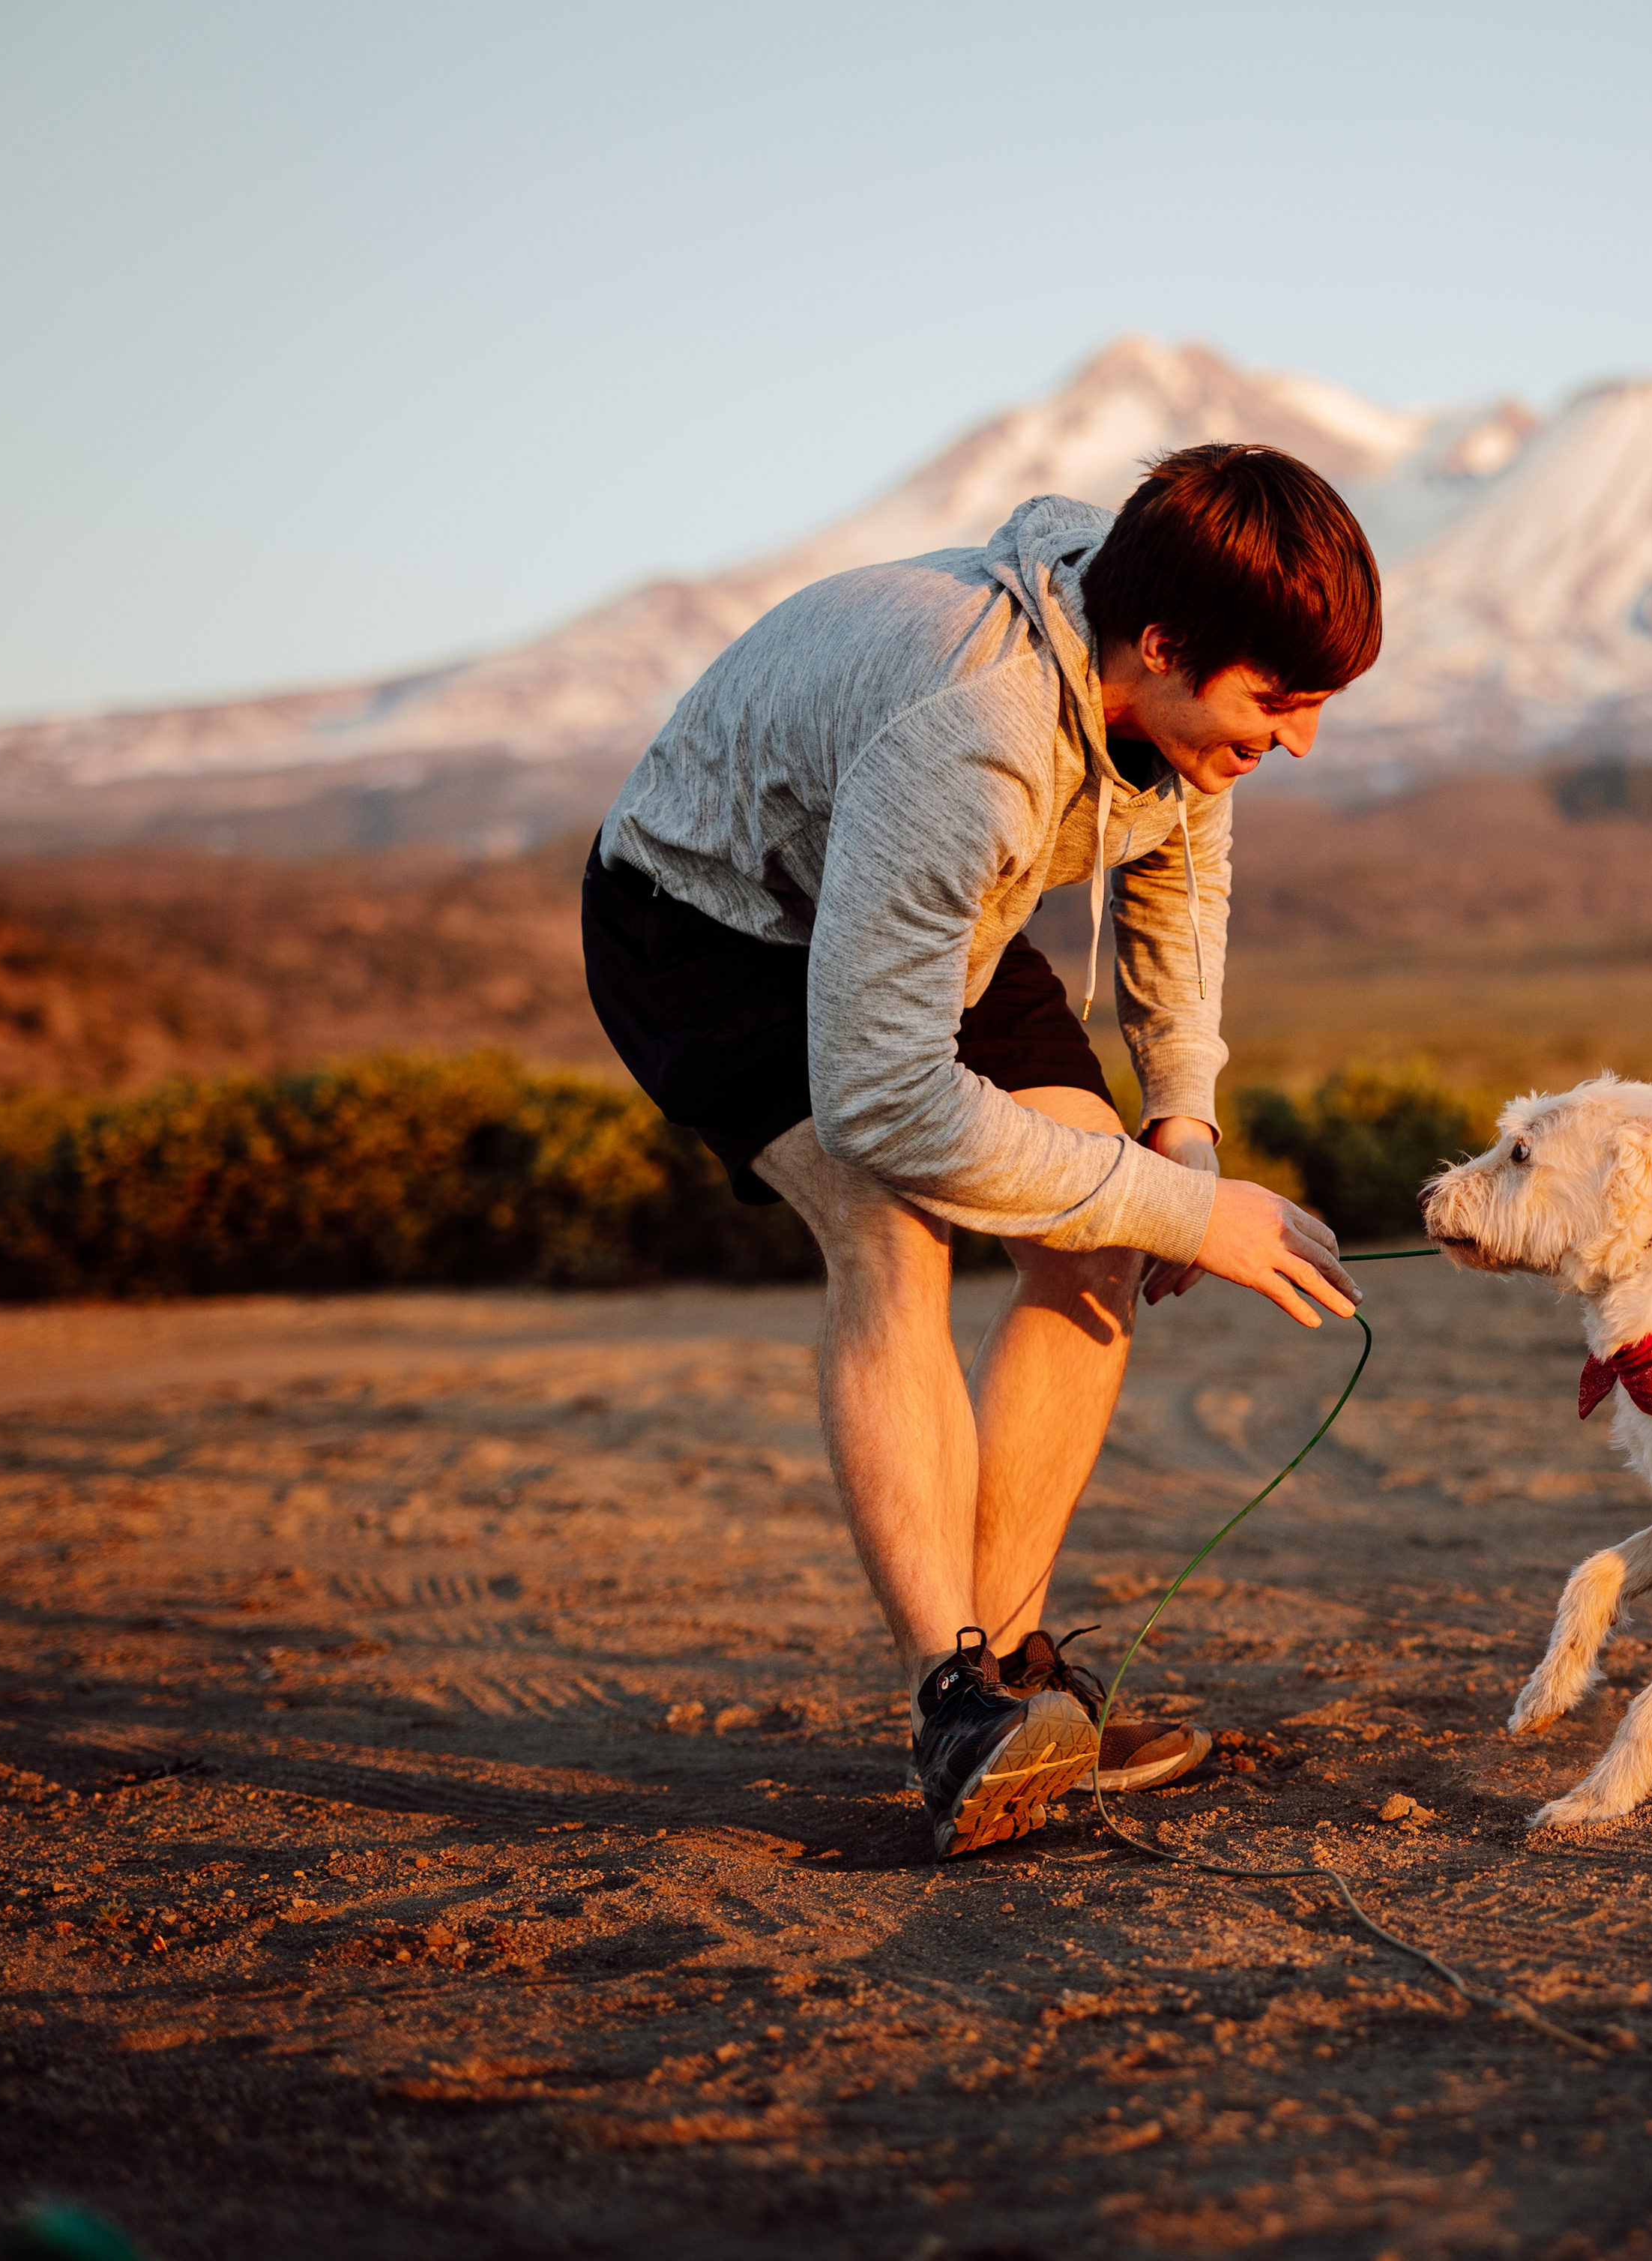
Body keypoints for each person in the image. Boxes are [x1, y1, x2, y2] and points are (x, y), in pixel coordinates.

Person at [580, 444, 1375, 1858]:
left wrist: (1180, 1127)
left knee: (1102, 1238)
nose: (1297, 744)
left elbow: (1179, 873)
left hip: (921, 908)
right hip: (706, 924)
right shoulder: (977, 732)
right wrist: (1197, 1216)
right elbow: (886, 1104)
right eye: (1279, 706)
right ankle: (955, 1704)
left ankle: (1022, 1699)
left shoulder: (1175, 682)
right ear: (1164, 646)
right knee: (892, 1225)